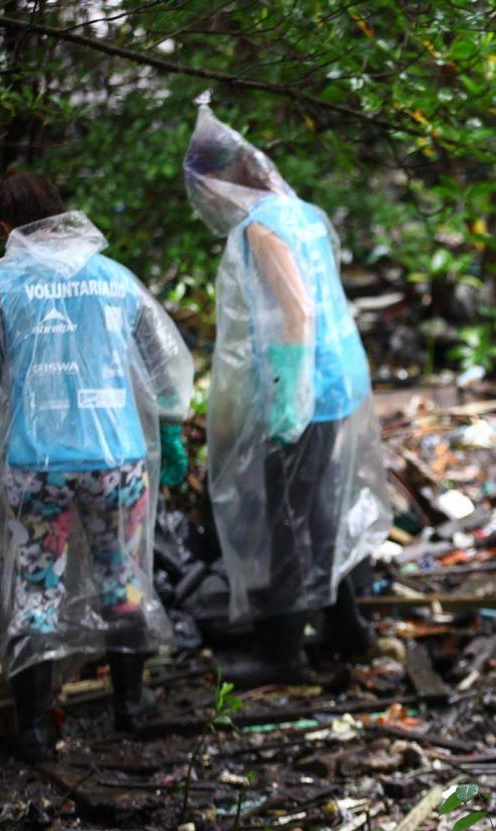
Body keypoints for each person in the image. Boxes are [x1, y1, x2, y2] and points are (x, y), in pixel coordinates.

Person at [0, 172, 193, 762]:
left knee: (35, 590)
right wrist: (172, 428)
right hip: (117, 461)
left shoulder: (1, 289)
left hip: (39, 465)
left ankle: (32, 730)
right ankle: (129, 706)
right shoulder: (115, 279)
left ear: (7, 227)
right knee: (122, 580)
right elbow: (165, 365)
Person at [182, 103, 392, 686]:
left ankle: (283, 653)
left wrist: (287, 402)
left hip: (309, 385)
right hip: (338, 379)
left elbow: (295, 311)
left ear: (222, 183)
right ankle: (346, 630)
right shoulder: (299, 212)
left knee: (286, 518)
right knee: (322, 509)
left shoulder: (261, 225)